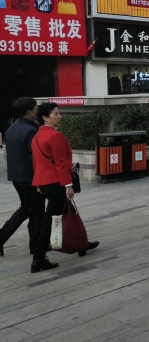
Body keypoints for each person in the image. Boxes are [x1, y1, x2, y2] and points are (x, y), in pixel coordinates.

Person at [31, 103, 99, 273]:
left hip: (45, 183)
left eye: (59, 113)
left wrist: (38, 184)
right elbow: (61, 163)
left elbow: (37, 163)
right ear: (45, 118)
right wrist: (68, 185)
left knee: (69, 211)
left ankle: (82, 245)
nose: (59, 116)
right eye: (55, 113)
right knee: (50, 221)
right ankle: (38, 259)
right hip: (57, 184)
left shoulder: (37, 136)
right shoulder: (55, 136)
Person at [0, 97, 42, 257]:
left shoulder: (11, 129)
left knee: (26, 208)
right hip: (30, 178)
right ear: (29, 112)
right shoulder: (31, 131)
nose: (37, 111)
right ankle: (36, 246)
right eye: (36, 109)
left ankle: (2, 237)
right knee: (36, 211)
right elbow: (35, 157)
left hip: (16, 177)